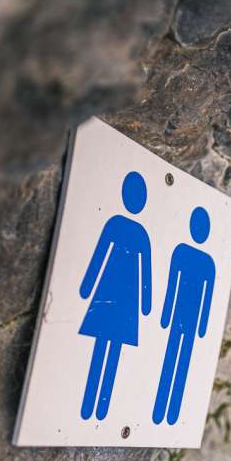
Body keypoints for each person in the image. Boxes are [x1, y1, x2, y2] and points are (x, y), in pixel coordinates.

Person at [78, 171, 153, 420]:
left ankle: (97, 408)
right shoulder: (129, 229)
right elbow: (102, 255)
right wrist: (146, 303)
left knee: (107, 347)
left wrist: (88, 287)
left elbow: (145, 270)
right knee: (106, 347)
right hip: (118, 293)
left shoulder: (124, 227)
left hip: (116, 292)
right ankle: (93, 406)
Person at [152, 206, 216, 425]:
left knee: (179, 361)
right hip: (183, 316)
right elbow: (173, 287)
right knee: (174, 359)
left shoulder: (204, 261)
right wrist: (166, 314)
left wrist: (203, 326)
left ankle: (169, 413)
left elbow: (207, 298)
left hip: (186, 317)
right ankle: (162, 411)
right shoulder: (185, 254)